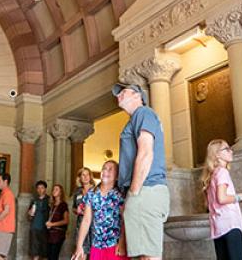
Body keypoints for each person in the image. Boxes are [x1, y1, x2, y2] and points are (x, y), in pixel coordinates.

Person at [111, 83, 169, 260]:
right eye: (118, 93)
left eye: (124, 91)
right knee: (145, 255)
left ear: (138, 96)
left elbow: (145, 153)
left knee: (150, 256)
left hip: (145, 189)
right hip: (144, 190)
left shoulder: (143, 113)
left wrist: (134, 192)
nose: (119, 95)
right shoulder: (137, 118)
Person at [202, 139, 242, 260]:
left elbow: (209, 203)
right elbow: (221, 198)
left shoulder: (212, 174)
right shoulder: (222, 172)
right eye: (226, 149)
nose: (231, 151)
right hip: (230, 225)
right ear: (217, 154)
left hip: (218, 227)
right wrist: (239, 197)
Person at [72, 160, 128, 260]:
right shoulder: (91, 194)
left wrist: (122, 242)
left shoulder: (119, 195)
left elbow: (125, 219)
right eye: (104, 168)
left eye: (110, 169)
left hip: (115, 245)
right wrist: (79, 246)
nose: (106, 171)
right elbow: (86, 221)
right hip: (97, 244)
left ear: (117, 176)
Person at [0, 172, 16, 260]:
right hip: (4, 228)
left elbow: (6, 211)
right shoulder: (5, 193)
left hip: (4, 228)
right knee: (1, 256)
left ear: (5, 181)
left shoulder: (7, 194)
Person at [72, 167, 96, 259]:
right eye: (83, 175)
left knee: (94, 253)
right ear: (79, 178)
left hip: (94, 224)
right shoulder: (77, 192)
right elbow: (74, 208)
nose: (86, 177)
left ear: (90, 177)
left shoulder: (96, 190)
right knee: (81, 252)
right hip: (81, 224)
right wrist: (77, 211)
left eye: (87, 174)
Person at [46, 184, 69, 260]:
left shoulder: (63, 205)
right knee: (49, 256)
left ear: (60, 192)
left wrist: (52, 224)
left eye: (56, 189)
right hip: (49, 234)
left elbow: (66, 221)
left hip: (58, 234)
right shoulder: (51, 205)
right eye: (53, 189)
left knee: (53, 256)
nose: (54, 191)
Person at [29, 180, 50, 260]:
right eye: (38, 188)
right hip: (35, 228)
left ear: (45, 189)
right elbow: (29, 215)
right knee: (35, 252)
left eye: (42, 188)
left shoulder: (49, 200)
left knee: (45, 252)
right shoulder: (34, 200)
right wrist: (30, 213)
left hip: (45, 228)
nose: (40, 190)